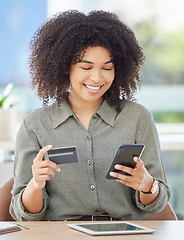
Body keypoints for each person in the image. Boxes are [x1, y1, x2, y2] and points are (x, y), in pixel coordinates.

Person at [9, 10, 170, 221]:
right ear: (65, 66)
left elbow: (158, 203)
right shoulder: (34, 126)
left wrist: (147, 185)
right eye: (86, 67)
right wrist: (36, 184)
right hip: (62, 234)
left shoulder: (137, 119)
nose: (96, 77)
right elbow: (24, 214)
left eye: (107, 68)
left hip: (122, 235)